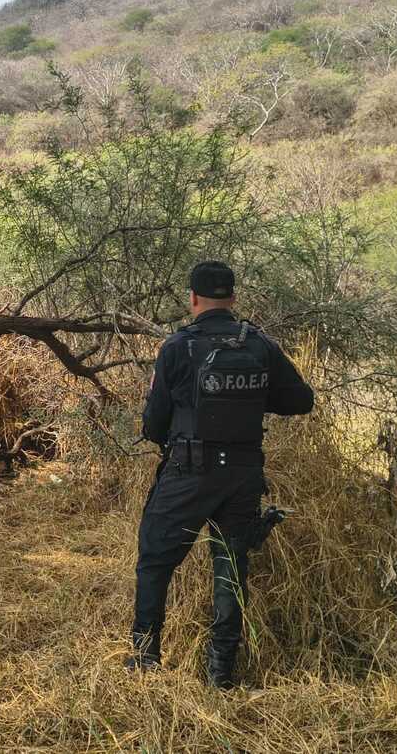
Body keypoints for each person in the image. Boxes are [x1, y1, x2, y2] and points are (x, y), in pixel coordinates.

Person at [127, 260, 314, 687]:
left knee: (155, 561)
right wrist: (250, 400)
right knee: (230, 567)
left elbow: (153, 427)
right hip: (243, 476)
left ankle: (144, 660)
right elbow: (302, 401)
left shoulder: (178, 347)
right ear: (233, 297)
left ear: (192, 299)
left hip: (189, 471)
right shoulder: (259, 345)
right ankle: (221, 672)